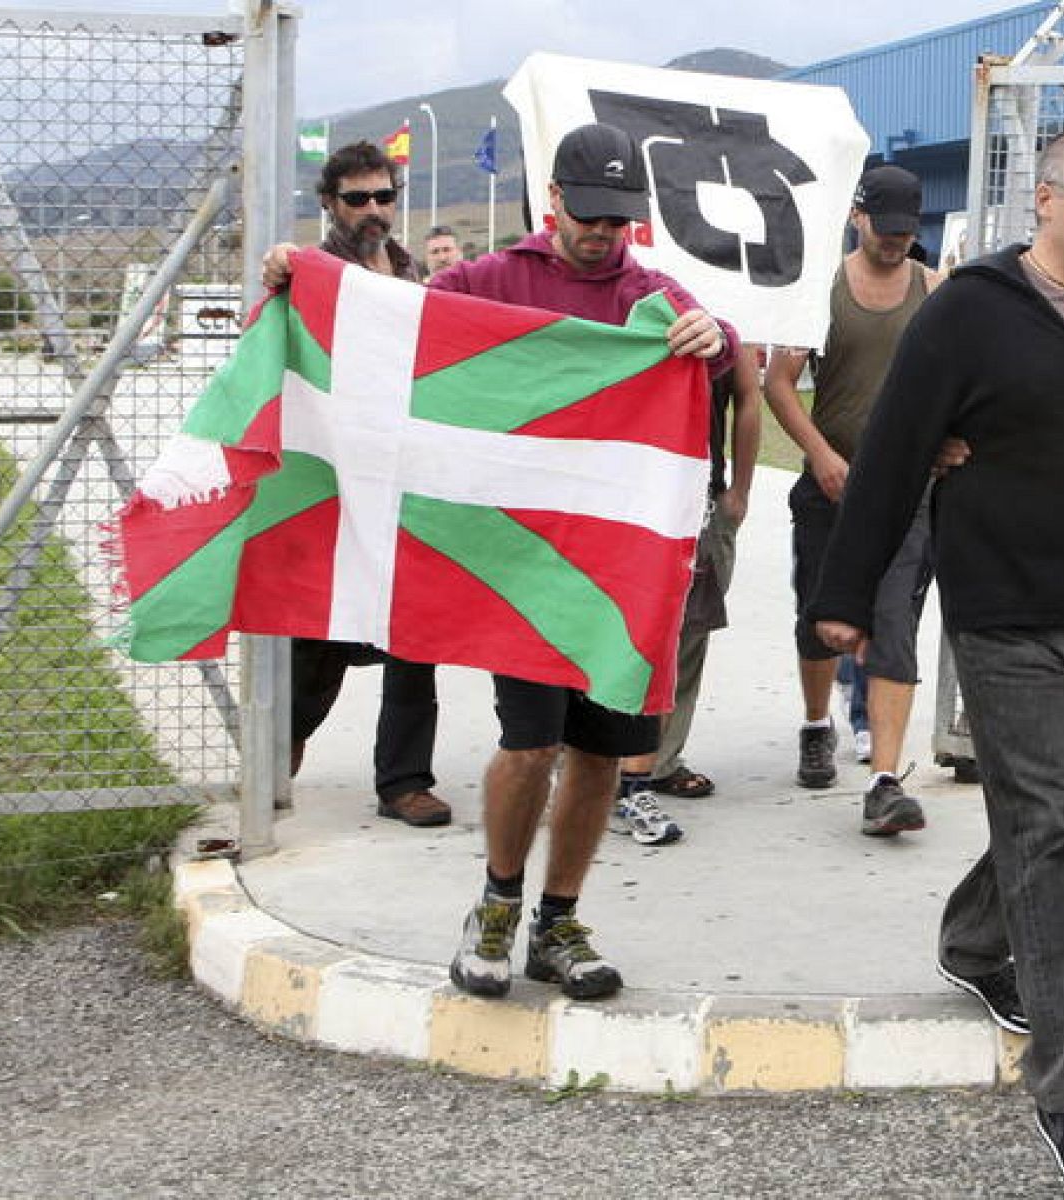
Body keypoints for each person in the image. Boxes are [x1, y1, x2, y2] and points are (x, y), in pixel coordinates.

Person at [810, 129, 1064, 1195]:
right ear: (1044, 201)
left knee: (1058, 815)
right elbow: (900, 444)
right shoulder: (970, 309)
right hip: (1006, 618)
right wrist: (847, 597)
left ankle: (969, 938)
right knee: (1053, 836)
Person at [270, 123, 736, 1000]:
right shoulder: (495, 279)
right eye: (590, 216)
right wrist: (303, 279)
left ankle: (558, 920)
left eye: (620, 220)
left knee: (600, 756)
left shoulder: (653, 294)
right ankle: (496, 903)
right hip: (525, 571)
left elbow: (722, 355)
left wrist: (714, 337)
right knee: (530, 744)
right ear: (553, 202)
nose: (604, 234)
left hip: (622, 574)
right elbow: (394, 326)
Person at [764, 164, 941, 837]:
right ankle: (818, 723)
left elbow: (958, 378)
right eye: (883, 229)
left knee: (894, 620)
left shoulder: (933, 289)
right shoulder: (822, 289)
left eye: (905, 232)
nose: (894, 243)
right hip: (831, 480)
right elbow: (780, 383)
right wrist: (819, 452)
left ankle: (885, 781)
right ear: (857, 217)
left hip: (906, 488)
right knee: (820, 615)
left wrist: (947, 440)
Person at [287, 140, 448, 829]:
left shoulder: (419, 280)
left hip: (406, 480)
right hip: (333, 483)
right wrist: (281, 270)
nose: (374, 210)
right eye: (358, 198)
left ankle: (404, 782)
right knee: (317, 642)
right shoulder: (313, 273)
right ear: (330, 203)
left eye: (384, 196)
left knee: (417, 635)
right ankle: (274, 756)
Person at [614, 347, 763, 844]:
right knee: (618, 634)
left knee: (689, 635)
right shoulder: (630, 301)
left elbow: (747, 398)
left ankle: (659, 759)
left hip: (703, 498)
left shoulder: (723, 322)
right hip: (628, 496)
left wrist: (740, 487)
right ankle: (598, 761)